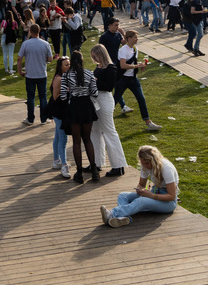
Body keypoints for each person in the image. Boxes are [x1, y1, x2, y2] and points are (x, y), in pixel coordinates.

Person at [99, 145, 178, 228]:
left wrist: (151, 195)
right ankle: (124, 218)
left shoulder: (166, 168)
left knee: (141, 201)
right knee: (123, 196)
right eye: (143, 163)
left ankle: (112, 214)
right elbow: (141, 184)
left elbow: (171, 196)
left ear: (153, 160)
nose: (145, 166)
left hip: (168, 203)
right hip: (154, 192)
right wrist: (140, 190)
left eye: (147, 163)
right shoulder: (145, 166)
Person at [88, 44, 127, 177]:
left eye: (96, 56)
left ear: (101, 54)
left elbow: (109, 87)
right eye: (93, 56)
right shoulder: (99, 67)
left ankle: (118, 165)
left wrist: (95, 81)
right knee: (95, 131)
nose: (94, 59)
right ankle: (97, 162)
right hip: (95, 100)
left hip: (104, 99)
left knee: (109, 131)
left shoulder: (111, 68)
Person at [61, 51, 99, 184]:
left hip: (74, 107)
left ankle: (79, 172)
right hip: (87, 106)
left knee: (76, 141)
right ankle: (94, 171)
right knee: (87, 139)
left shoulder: (66, 75)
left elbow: (63, 96)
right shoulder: (89, 73)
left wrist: (71, 92)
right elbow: (95, 93)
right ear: (82, 61)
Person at [115, 30, 162, 131]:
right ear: (129, 39)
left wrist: (140, 66)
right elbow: (122, 65)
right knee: (115, 100)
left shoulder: (135, 49)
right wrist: (137, 65)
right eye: (135, 37)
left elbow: (132, 63)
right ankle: (102, 120)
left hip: (133, 79)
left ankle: (148, 123)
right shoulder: (123, 50)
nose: (137, 39)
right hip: (123, 79)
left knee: (141, 99)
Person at [48, 57, 71, 179]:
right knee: (63, 137)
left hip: (61, 110)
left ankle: (56, 160)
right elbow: (56, 96)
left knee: (58, 135)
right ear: (60, 66)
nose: (68, 66)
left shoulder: (65, 77)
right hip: (59, 110)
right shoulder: (59, 78)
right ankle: (64, 164)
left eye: (69, 64)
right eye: (66, 65)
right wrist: (67, 91)